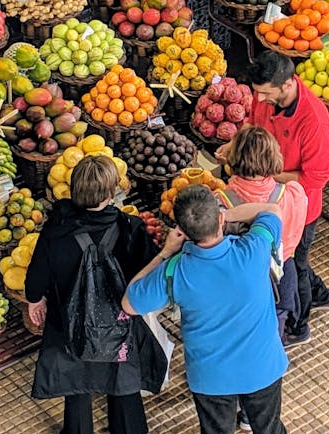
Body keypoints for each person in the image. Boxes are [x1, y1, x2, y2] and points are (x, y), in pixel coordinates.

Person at [123, 185, 288, 434]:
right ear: (219, 218)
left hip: (212, 379)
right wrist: (222, 215)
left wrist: (165, 253)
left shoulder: (175, 271)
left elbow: (129, 303)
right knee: (269, 428)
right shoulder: (254, 249)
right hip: (262, 367)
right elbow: (272, 210)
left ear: (182, 231)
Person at [25, 155, 165, 433]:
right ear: (111, 191)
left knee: (76, 383)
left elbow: (37, 272)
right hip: (120, 324)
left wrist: (35, 299)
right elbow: (147, 274)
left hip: (69, 322)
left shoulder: (57, 229)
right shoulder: (130, 228)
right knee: (123, 381)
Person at [215, 51, 329, 346]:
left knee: (295, 263)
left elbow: (316, 178)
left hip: (298, 206)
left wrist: (266, 172)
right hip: (270, 190)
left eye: (266, 94)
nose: (260, 100)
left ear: (286, 85)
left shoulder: (314, 120)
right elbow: (253, 127)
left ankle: (298, 325)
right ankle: (323, 293)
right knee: (289, 262)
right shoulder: (263, 99)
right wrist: (234, 145)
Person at [216, 125, 307, 338]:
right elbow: (294, 235)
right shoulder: (292, 194)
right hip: (283, 274)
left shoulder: (222, 203)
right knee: (277, 326)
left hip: (243, 285)